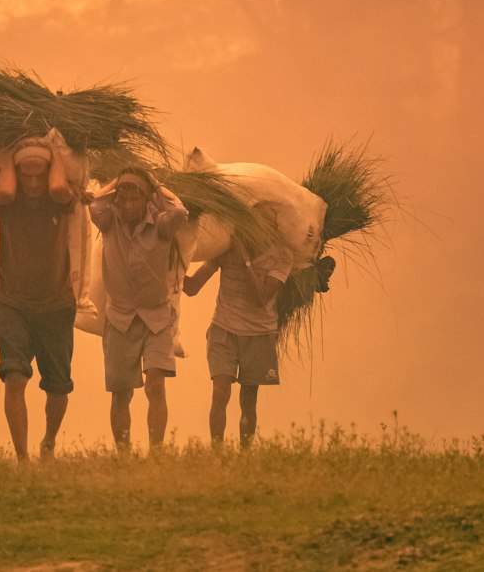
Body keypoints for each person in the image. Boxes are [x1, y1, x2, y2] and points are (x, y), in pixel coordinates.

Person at [184, 205, 317, 447]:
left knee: (248, 399)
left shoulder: (281, 256)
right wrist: (171, 260)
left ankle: (244, 456)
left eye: (266, 225)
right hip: (223, 328)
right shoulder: (225, 249)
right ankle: (218, 454)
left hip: (259, 334)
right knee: (220, 392)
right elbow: (192, 287)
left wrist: (245, 260)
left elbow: (261, 297)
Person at [0, 128, 77, 461]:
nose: (33, 181)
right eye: (25, 173)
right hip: (13, 302)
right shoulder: (7, 203)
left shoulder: (62, 199)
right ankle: (22, 458)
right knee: (14, 376)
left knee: (58, 387)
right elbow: (5, 194)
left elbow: (57, 186)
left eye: (39, 172)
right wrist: (18, 154)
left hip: (57, 305)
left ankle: (49, 443)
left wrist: (49, 152)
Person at [89, 169, 188, 450]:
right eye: (124, 198)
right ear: (118, 200)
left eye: (136, 198)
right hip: (119, 319)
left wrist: (154, 184)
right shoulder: (109, 222)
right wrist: (118, 180)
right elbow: (95, 203)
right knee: (121, 394)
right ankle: (124, 454)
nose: (130, 205)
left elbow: (180, 213)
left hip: (156, 319)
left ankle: (156, 452)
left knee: (155, 386)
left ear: (147, 200)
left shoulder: (161, 224)